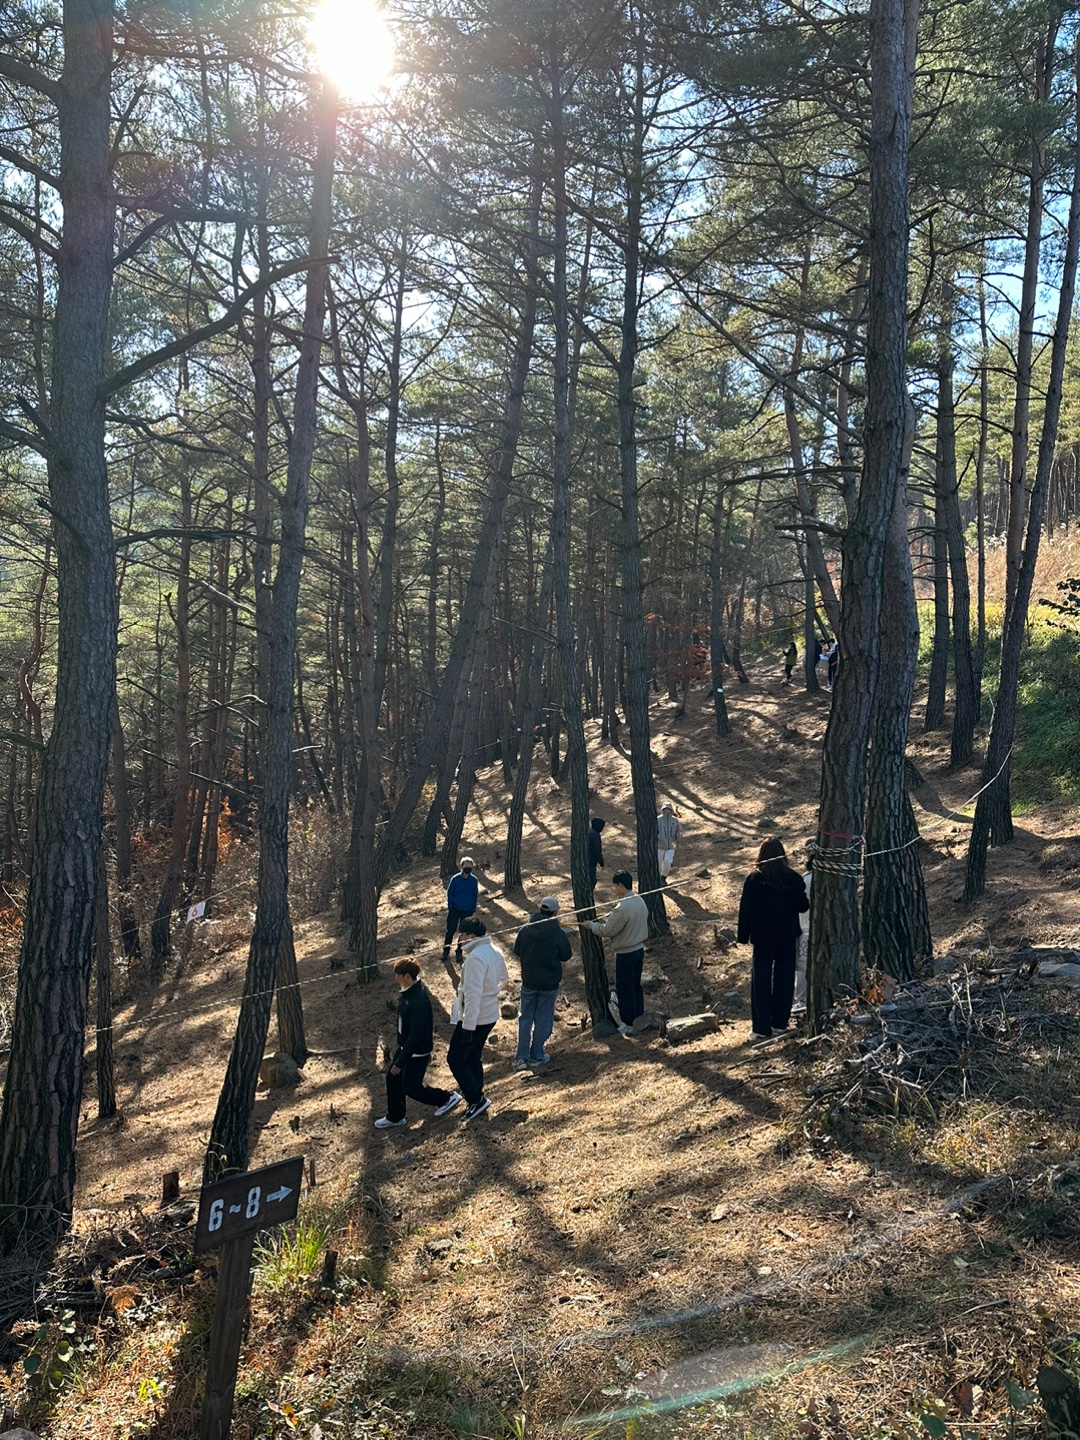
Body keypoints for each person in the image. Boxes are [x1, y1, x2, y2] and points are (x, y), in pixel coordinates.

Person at [737, 837, 810, 1041]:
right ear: (783, 855)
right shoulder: (794, 879)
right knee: (784, 979)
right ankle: (779, 1023)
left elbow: (745, 910)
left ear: (761, 856)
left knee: (760, 980)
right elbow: (803, 906)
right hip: (787, 936)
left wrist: (742, 936)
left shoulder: (754, 879)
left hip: (763, 938)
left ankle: (761, 1027)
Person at [374, 960, 462, 1129]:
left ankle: (446, 1098)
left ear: (407, 976)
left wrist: (400, 1062)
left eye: (398, 975)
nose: (396, 978)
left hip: (416, 1051)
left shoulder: (418, 1000)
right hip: (405, 1047)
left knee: (411, 1087)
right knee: (392, 1079)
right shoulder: (408, 992)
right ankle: (395, 1117)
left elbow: (416, 1035)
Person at [447, 917, 509, 1120]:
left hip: (476, 1018)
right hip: (489, 1014)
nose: (460, 939)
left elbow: (473, 994)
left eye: (462, 935)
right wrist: (492, 993)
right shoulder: (495, 950)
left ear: (471, 936)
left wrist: (468, 1025)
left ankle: (475, 1099)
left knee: (455, 1059)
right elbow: (504, 979)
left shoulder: (475, 958)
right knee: (473, 1056)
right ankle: (477, 1094)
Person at [512, 896, 572, 1069]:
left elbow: (517, 950)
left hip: (529, 981)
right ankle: (537, 1055)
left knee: (525, 1019)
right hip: (548, 984)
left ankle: (521, 1058)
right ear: (555, 912)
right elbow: (566, 955)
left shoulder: (525, 930)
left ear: (539, 909)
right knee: (543, 1020)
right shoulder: (557, 933)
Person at [588, 871, 649, 1034]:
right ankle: (638, 1017)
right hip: (638, 950)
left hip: (626, 954)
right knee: (635, 986)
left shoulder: (622, 908)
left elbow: (607, 930)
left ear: (620, 885)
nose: (614, 889)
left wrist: (592, 926)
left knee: (625, 988)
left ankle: (628, 1024)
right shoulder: (639, 900)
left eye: (615, 885)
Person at [443, 855, 479, 962]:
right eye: (466, 866)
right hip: (455, 909)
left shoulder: (474, 880)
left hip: (467, 910)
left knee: (464, 932)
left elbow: (475, 894)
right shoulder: (455, 879)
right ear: (462, 866)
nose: (468, 868)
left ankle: (459, 951)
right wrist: (451, 907)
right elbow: (450, 893)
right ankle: (446, 951)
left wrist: (473, 908)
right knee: (450, 931)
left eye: (470, 866)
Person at [793, 848, 813, 1015]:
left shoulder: (804, 880)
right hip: (818, 928)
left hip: (804, 927)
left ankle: (802, 1000)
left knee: (802, 968)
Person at [656, 803, 683, 881]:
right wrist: (658, 838)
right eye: (665, 809)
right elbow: (654, 831)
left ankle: (663, 877)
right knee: (659, 862)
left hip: (671, 845)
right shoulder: (658, 819)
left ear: (671, 810)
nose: (667, 811)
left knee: (668, 861)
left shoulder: (675, 820)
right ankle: (658, 878)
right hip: (660, 845)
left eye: (668, 809)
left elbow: (680, 830)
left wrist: (679, 836)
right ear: (663, 810)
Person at [588, 817, 606, 891]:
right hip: (590, 861)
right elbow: (597, 851)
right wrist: (601, 862)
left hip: (585, 860)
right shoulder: (595, 835)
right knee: (592, 881)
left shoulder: (589, 832)